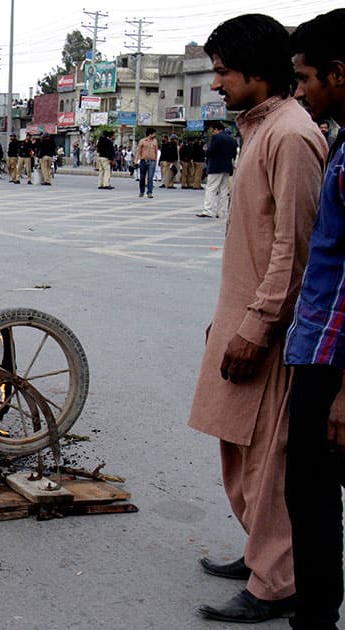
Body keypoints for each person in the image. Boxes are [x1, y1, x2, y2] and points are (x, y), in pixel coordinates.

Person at [187, 14, 326, 624]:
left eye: (221, 73)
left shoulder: (291, 137)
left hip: (268, 333)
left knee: (270, 462)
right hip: (240, 320)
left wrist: (256, 327)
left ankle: (278, 581)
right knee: (238, 449)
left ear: (258, 74)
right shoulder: (260, 130)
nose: (215, 84)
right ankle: (259, 552)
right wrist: (227, 321)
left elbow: (294, 251)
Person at [283, 11, 345, 629]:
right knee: (307, 492)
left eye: (304, 78)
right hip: (318, 350)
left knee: (316, 493)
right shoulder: (341, 141)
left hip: (335, 363)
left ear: (339, 72)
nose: (300, 90)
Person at [198, 122, 239, 218]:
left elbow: (211, 151)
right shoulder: (231, 139)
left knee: (211, 188)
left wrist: (206, 152)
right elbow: (234, 153)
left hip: (215, 166)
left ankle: (208, 210)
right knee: (224, 190)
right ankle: (221, 212)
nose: (213, 133)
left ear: (217, 129)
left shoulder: (216, 138)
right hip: (227, 167)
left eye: (213, 130)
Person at [135, 129, 158, 198]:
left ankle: (149, 192)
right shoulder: (142, 141)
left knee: (150, 177)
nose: (155, 135)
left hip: (152, 161)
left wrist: (155, 161)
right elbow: (138, 151)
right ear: (150, 134)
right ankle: (142, 191)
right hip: (143, 161)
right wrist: (135, 161)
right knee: (142, 177)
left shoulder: (155, 141)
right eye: (154, 133)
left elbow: (156, 152)